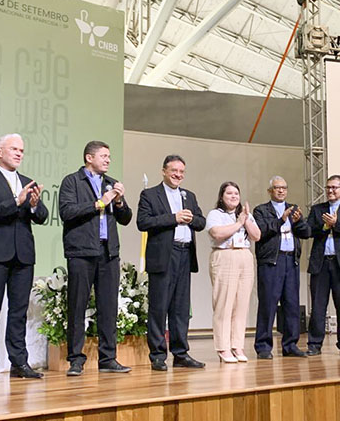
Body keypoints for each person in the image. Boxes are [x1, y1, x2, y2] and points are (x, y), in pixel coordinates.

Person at [0, 133, 48, 383]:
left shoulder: (27, 182)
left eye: (22, 150)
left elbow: (42, 216)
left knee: (18, 312)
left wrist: (35, 204)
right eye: (14, 149)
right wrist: (17, 201)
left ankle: (19, 362)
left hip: (23, 256)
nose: (18, 153)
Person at [59, 141, 133, 376]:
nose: (108, 160)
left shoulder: (111, 183)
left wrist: (119, 201)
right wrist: (100, 202)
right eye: (103, 156)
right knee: (78, 306)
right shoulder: (72, 181)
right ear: (89, 158)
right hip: (81, 251)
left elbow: (126, 218)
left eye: (109, 156)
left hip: (108, 252)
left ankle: (108, 358)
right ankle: (76, 360)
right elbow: (67, 212)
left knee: (108, 307)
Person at [137, 155, 206, 371]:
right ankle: (157, 355)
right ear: (164, 171)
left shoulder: (189, 196)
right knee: (159, 307)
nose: (178, 175)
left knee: (181, 308)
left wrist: (190, 219)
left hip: (185, 255)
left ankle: (181, 353)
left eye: (181, 172)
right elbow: (143, 222)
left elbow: (201, 222)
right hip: (163, 256)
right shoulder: (150, 195)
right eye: (174, 170)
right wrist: (173, 218)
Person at [253, 176, 310, 359]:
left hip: (290, 261)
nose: (281, 191)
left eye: (284, 188)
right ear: (270, 191)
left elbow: (306, 233)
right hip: (271, 262)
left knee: (291, 304)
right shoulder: (261, 210)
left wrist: (299, 220)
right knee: (268, 304)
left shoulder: (293, 208)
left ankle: (290, 345)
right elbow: (260, 232)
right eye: (277, 188)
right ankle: (263, 346)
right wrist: (281, 219)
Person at [205, 182, 261, 363]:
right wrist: (238, 223)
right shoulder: (216, 214)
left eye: (236, 193)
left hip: (244, 256)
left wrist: (245, 219)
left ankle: (237, 345)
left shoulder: (245, 214)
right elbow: (216, 233)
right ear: (221, 196)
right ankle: (223, 347)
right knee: (224, 303)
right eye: (229, 193)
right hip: (225, 255)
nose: (233, 196)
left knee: (241, 304)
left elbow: (256, 236)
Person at [306, 175, 340, 357]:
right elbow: (308, 231)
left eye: (334, 188)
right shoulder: (317, 209)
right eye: (328, 187)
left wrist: (336, 224)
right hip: (321, 263)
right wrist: (324, 226)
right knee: (318, 306)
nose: (330, 191)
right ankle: (314, 344)